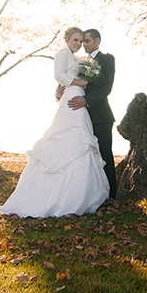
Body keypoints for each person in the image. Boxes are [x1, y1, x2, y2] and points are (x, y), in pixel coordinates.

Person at [0, 27, 109, 218]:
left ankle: (82, 192)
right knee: (68, 139)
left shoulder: (75, 58)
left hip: (77, 99)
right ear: (67, 39)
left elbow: (65, 81)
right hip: (72, 100)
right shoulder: (62, 53)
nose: (78, 44)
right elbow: (59, 76)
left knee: (80, 141)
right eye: (75, 40)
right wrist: (80, 84)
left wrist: (68, 88)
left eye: (81, 41)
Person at [61, 28, 117, 199]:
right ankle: (91, 193)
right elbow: (73, 84)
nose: (83, 44)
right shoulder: (80, 62)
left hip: (101, 116)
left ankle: (111, 194)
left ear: (97, 41)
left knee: (104, 154)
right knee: (86, 156)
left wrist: (87, 101)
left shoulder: (107, 59)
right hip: (81, 118)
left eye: (87, 41)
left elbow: (106, 88)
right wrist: (60, 94)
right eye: (82, 41)